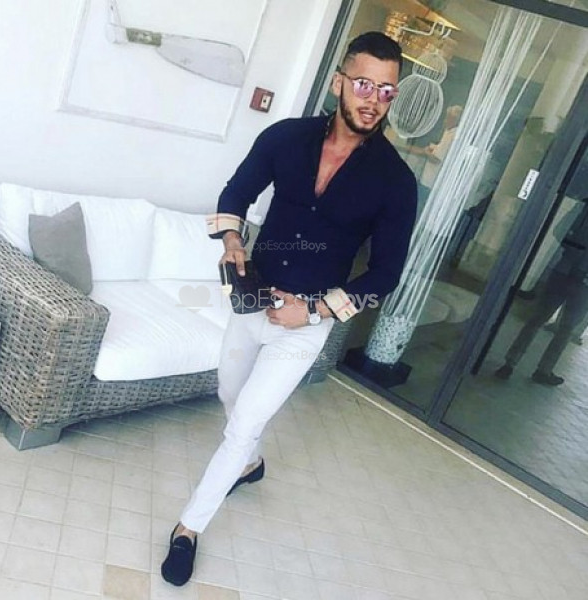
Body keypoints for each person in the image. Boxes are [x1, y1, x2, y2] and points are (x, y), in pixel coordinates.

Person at [160, 31, 418, 587]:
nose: (374, 100)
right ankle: (251, 465)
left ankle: (188, 529)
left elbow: (385, 275)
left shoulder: (396, 181)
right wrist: (233, 242)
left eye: (387, 91)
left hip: (305, 325)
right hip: (252, 299)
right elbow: (235, 193)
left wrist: (316, 312)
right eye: (364, 84)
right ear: (339, 82)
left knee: (244, 422)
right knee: (229, 395)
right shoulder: (287, 137)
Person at [495, 199, 588, 386]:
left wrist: (573, 251)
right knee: (566, 329)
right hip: (584, 282)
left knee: (537, 318)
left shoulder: (585, 207)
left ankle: (510, 363)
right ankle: (543, 370)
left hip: (563, 269)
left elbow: (560, 230)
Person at [417, 104, 463, 206]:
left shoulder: (452, 135)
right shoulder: (450, 132)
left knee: (419, 206)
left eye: (448, 118)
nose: (445, 120)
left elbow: (436, 159)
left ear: (454, 120)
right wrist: (433, 147)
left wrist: (426, 152)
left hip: (430, 182)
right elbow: (443, 149)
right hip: (432, 182)